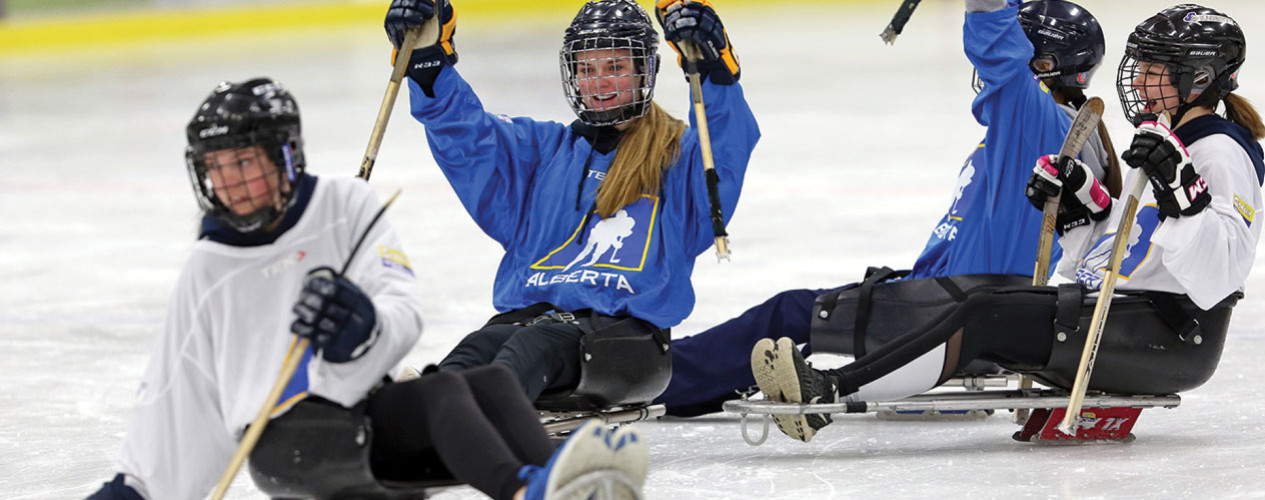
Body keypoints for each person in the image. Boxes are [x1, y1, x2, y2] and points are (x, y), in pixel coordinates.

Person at [85, 78, 649, 500]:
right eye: (218, 168)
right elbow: (173, 393)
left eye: (245, 163)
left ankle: (545, 482)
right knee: (431, 412)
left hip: (367, 413)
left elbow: (403, 310)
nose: (231, 183)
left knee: (489, 384)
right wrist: (135, 489)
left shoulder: (346, 206)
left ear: (286, 157)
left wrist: (365, 331)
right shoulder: (207, 269)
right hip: (288, 440)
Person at [756, 3, 1263, 443]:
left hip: (1170, 336)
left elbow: (1220, 275)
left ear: (1198, 78)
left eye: (1155, 68)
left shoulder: (1222, 152)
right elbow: (1116, 259)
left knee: (983, 314)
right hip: (1126, 317)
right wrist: (1080, 210)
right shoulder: (1166, 143)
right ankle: (833, 386)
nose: (1138, 78)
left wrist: (1185, 197)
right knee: (988, 308)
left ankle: (831, 391)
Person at [658, 0, 1119, 421]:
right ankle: (686, 388)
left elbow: (996, 40)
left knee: (788, 313)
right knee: (803, 312)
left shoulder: (1039, 123)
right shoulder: (1060, 134)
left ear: (1042, 64)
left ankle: (660, 381)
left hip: (948, 309)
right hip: (948, 298)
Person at [384, 0, 758, 401]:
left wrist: (715, 68)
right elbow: (466, 137)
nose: (598, 83)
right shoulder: (542, 150)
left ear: (643, 71)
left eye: (614, 68)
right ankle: (419, 419)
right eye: (586, 69)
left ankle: (482, 444)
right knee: (472, 353)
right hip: (525, 323)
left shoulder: (677, 155)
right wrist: (427, 62)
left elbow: (722, 144)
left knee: (525, 352)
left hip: (623, 343)